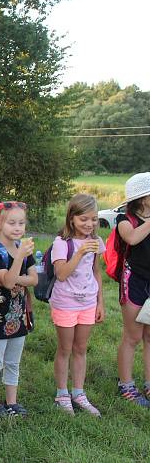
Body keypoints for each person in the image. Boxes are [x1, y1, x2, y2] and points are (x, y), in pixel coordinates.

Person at [49, 194, 105, 416]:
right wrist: (80, 251)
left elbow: (96, 272)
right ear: (71, 219)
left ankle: (78, 393)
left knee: (81, 349)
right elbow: (61, 274)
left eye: (94, 219)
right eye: (84, 219)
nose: (89, 224)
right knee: (65, 349)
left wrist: (100, 302)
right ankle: (62, 394)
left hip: (88, 302)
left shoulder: (96, 241)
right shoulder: (62, 243)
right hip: (66, 303)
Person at [0, 202, 37, 418]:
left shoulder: (22, 249)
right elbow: (7, 282)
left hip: (18, 314)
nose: (17, 228)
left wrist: (16, 278)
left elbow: (34, 278)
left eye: (21, 223)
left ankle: (11, 402)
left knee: (13, 361)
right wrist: (19, 262)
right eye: (12, 223)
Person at [115, 173, 150, 406]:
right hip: (134, 280)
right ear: (142, 198)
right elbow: (133, 239)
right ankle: (126, 385)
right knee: (133, 336)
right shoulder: (124, 219)